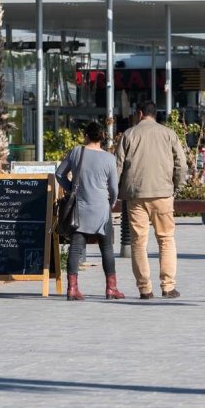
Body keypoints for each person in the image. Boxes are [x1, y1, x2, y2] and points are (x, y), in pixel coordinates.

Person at [115, 101, 188, 300]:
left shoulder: (129, 135)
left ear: (140, 113)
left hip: (135, 195)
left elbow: (117, 166)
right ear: (155, 114)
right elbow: (181, 164)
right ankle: (168, 286)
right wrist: (176, 187)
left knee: (139, 242)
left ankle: (144, 289)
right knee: (166, 239)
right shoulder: (168, 134)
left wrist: (115, 192)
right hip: (163, 193)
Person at [55, 122, 123, 301]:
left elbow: (59, 173)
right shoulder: (109, 158)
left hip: (81, 208)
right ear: (101, 137)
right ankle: (111, 288)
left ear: (86, 135)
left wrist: (71, 189)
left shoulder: (77, 152)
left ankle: (72, 288)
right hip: (101, 209)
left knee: (75, 247)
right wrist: (112, 202)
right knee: (106, 248)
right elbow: (114, 188)